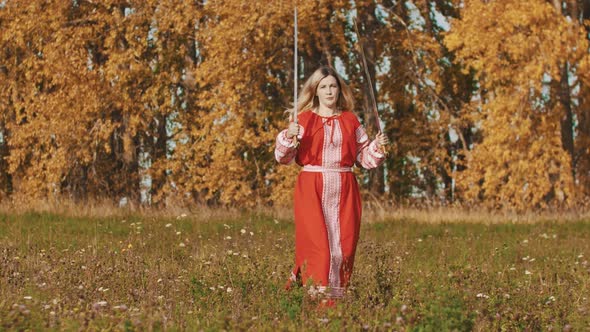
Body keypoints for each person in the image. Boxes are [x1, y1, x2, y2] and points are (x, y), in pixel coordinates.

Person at [275, 66, 389, 304]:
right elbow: (283, 158)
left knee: (342, 249)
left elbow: (364, 159)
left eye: (333, 86)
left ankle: (335, 304)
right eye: (323, 86)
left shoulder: (350, 120)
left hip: (345, 187)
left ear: (339, 89)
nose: (329, 91)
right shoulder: (303, 120)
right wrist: (288, 135)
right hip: (312, 187)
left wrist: (377, 146)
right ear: (315, 91)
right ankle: (319, 304)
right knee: (319, 249)